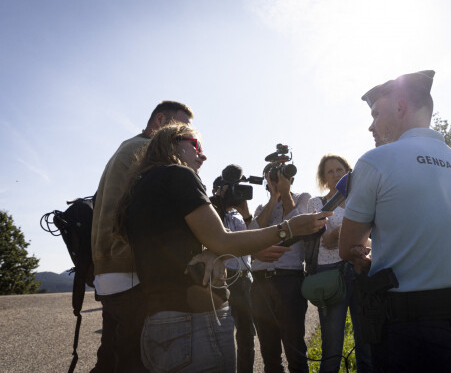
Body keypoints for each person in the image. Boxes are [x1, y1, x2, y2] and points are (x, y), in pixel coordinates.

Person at [114, 123, 331, 372]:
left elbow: (177, 245)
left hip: (157, 323)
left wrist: (212, 251)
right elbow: (223, 239)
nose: (203, 155)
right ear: (171, 144)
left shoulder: (138, 188)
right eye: (195, 145)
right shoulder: (178, 175)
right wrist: (289, 229)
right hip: (194, 323)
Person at [339, 70, 451, 373]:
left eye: (376, 113)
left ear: (400, 106)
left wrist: (365, 252)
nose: (371, 125)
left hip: (409, 336)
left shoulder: (375, 161)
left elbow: (348, 246)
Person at [91, 100, 197, 372]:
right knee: (136, 361)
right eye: (181, 127)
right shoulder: (146, 151)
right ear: (160, 121)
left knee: (111, 357)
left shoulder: (126, 147)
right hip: (132, 270)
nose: (186, 136)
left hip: (109, 269)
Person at [306, 154, 372, 373]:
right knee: (332, 345)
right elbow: (323, 239)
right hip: (331, 274)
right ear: (323, 178)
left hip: (360, 271)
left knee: (367, 340)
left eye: (339, 170)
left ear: (348, 174)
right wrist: (340, 234)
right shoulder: (318, 203)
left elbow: (371, 238)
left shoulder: (361, 203)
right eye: (329, 171)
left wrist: (345, 237)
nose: (335, 175)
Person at [248, 162, 311, 373]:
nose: (276, 179)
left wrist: (285, 194)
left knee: (295, 349)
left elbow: (296, 226)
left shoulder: (303, 198)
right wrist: (274, 198)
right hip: (259, 283)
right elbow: (252, 234)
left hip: (288, 280)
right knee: (269, 352)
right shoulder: (260, 208)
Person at [211, 171, 256, 373]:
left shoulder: (238, 217)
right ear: (216, 191)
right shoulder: (210, 213)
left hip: (244, 279)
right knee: (222, 333)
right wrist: (219, 205)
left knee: (246, 334)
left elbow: (254, 238)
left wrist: (245, 212)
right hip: (222, 280)